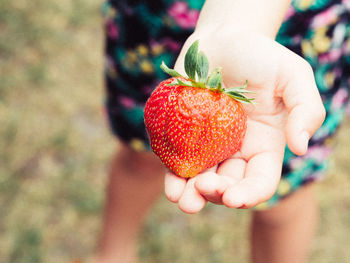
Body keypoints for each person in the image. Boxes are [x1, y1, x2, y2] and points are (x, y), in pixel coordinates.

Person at [94, 0, 350, 262]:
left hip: (296, 27)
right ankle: (112, 255)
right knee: (140, 154)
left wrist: (238, 24)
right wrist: (225, 28)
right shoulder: (170, 96)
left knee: (286, 197)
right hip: (159, 21)